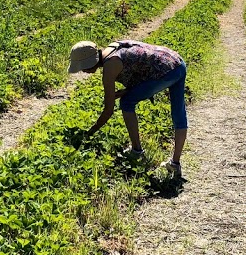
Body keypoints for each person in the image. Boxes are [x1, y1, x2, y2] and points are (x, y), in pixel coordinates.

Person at [69, 39, 187, 176]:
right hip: (177, 62)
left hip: (165, 71)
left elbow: (108, 111)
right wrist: (124, 92)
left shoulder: (109, 67)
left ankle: (137, 152)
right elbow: (139, 68)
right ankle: (175, 164)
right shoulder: (112, 48)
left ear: (90, 63)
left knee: (127, 103)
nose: (83, 71)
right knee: (178, 113)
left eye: (83, 67)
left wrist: (88, 134)